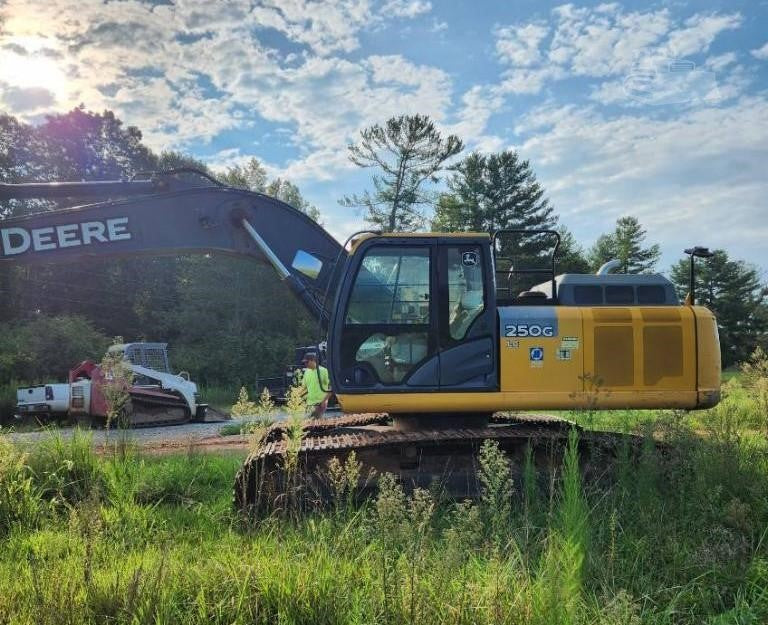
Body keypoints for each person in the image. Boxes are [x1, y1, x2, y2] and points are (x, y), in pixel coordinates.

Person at [301, 352, 332, 419]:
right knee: (310, 423)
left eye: (307, 362)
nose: (305, 364)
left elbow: (331, 388)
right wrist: (295, 397)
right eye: (304, 362)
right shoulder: (307, 372)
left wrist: (324, 401)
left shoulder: (323, 371)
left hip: (320, 403)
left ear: (313, 360)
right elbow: (303, 387)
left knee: (316, 422)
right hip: (309, 403)